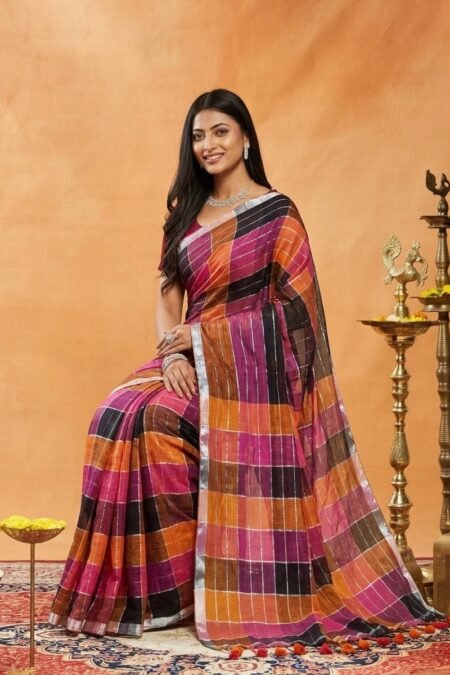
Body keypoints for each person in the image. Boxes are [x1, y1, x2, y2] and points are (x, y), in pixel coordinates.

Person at [49, 89, 441, 648]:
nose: (208, 145)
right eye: (198, 136)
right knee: (115, 417)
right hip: (186, 360)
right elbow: (167, 297)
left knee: (156, 424)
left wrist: (204, 339)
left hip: (252, 376)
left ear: (246, 139)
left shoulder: (277, 214)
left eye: (220, 132)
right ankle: (164, 593)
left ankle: (200, 588)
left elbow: (299, 316)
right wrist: (174, 353)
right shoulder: (185, 213)